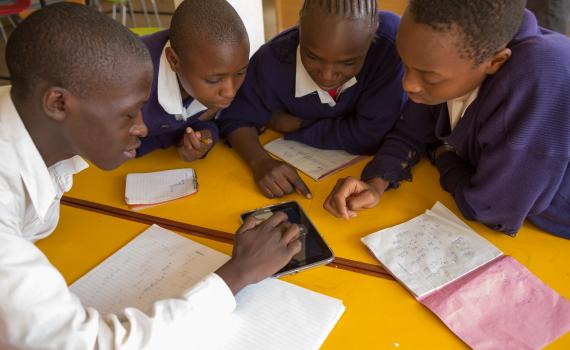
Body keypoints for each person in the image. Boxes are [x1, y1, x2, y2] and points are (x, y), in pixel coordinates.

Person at [0, 3, 300, 349]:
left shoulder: (28, 123)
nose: (143, 128)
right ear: (58, 104)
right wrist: (238, 274)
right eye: (127, 116)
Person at [325, 0, 570, 238]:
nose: (407, 84)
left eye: (429, 78)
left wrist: (443, 156)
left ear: (495, 62)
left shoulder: (540, 78)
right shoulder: (455, 54)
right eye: (405, 64)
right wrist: (376, 183)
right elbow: (411, 131)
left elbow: (491, 210)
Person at [217, 0, 405, 199]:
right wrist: (260, 162)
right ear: (301, 26)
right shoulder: (272, 61)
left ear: (371, 37)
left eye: (348, 62)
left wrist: (297, 124)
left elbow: (369, 136)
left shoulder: (391, 48)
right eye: (312, 56)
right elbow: (235, 117)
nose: (326, 75)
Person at [138, 0, 250, 162]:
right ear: (174, 60)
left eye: (241, 72)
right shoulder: (129, 79)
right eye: (213, 80)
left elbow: (198, 119)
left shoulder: (209, 67)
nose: (230, 91)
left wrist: (203, 136)